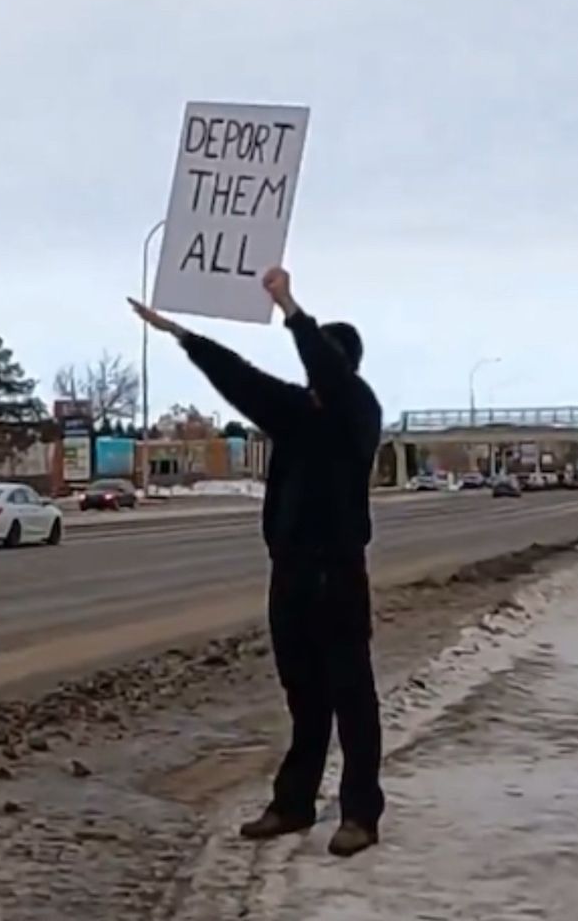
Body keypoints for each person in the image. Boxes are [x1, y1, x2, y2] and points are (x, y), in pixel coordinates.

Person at [129, 267, 384, 858]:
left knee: (353, 698)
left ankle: (361, 815)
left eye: (325, 367)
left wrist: (289, 305)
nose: (313, 379)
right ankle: (293, 805)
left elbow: (324, 368)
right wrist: (181, 336)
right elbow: (242, 381)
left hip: (338, 574)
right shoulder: (298, 413)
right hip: (291, 574)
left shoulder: (356, 412)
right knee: (304, 699)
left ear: (343, 368)